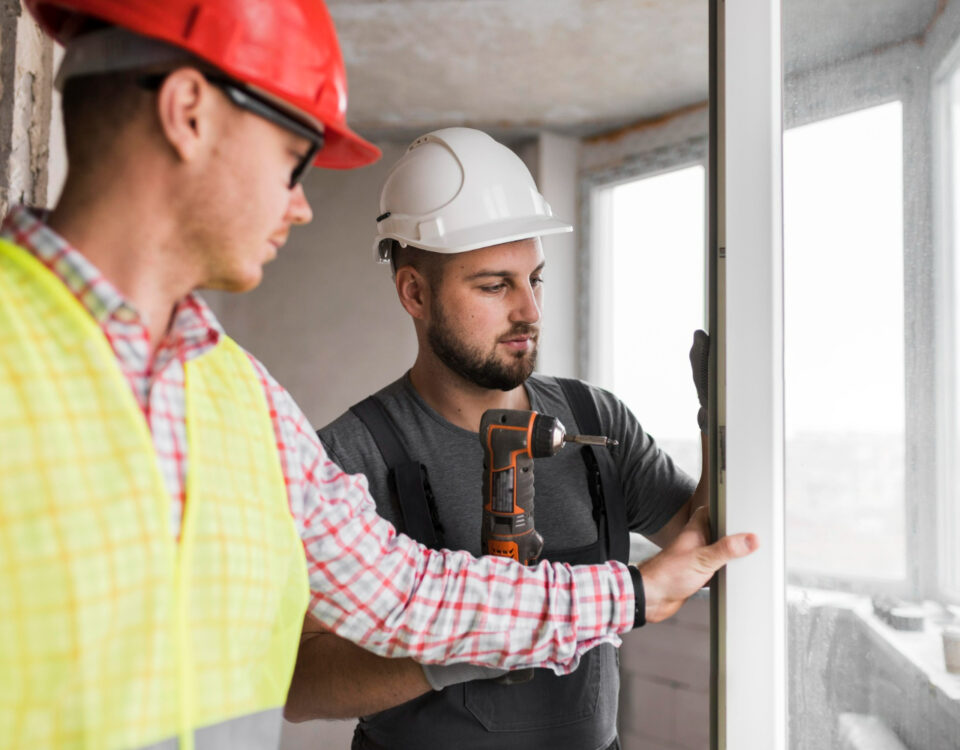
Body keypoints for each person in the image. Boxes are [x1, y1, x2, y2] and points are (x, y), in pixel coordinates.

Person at [0, 2, 756, 747]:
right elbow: (308, 671)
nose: (300, 207)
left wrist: (634, 584)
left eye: (535, 279)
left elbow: (406, 595)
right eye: (294, 160)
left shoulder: (241, 397)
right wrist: (620, 598)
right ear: (189, 112)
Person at [285, 127, 720, 750]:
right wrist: (454, 652)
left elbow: (698, 548)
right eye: (495, 286)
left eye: (534, 279)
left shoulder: (594, 419)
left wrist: (721, 424)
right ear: (414, 291)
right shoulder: (349, 457)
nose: (530, 312)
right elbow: (299, 683)